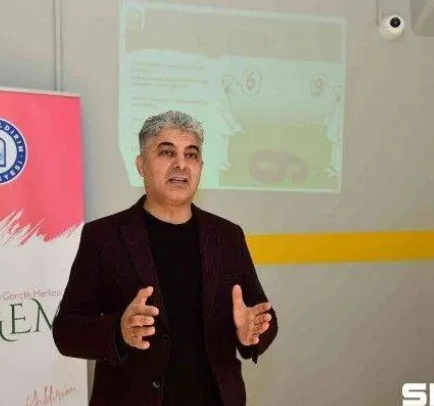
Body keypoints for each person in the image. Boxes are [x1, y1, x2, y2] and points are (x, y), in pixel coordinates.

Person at [52, 110, 278, 406]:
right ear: (141, 165)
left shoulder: (227, 236)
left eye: (191, 155)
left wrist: (250, 332)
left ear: (200, 167)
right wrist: (118, 331)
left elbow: (261, 315)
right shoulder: (104, 237)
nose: (181, 164)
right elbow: (67, 330)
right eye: (167, 152)